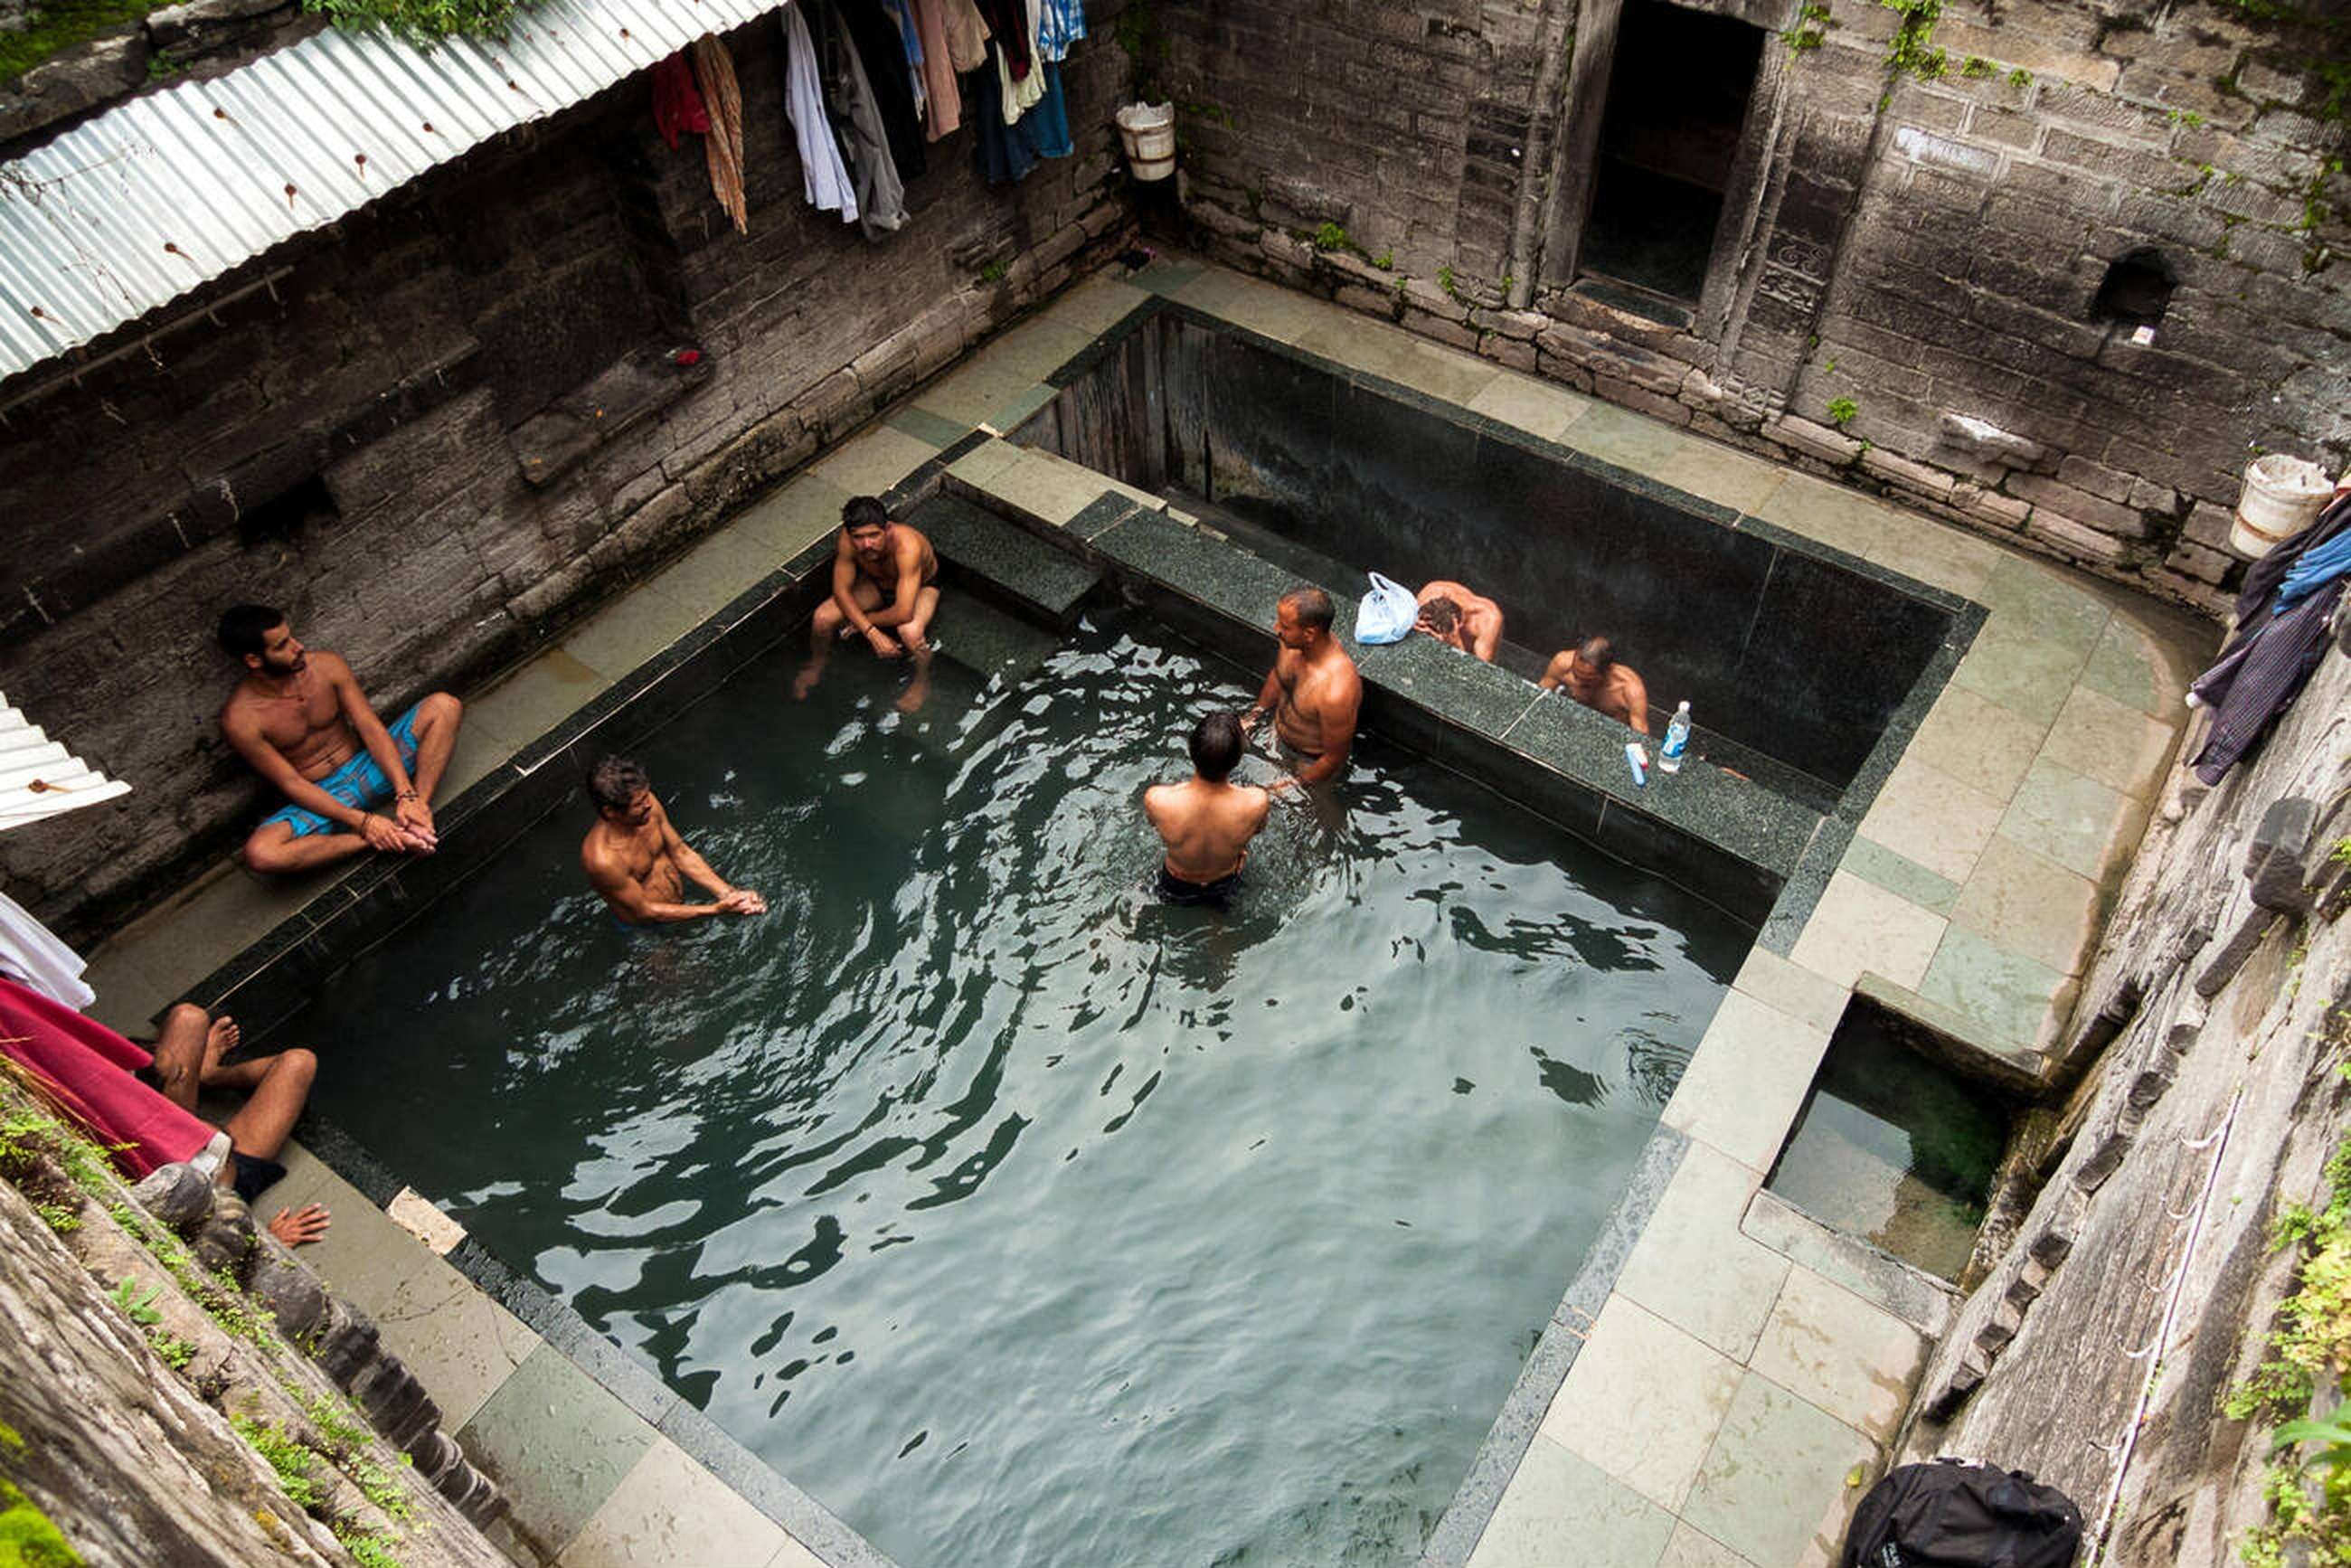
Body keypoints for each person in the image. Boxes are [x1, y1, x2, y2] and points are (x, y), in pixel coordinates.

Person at [217, 605, 464, 874]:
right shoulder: (241, 719)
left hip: (372, 768)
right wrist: (364, 823)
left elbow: (370, 727)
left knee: (444, 706)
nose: (297, 647)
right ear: (254, 660)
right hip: (324, 798)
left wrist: (406, 793)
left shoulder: (326, 666)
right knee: (261, 854)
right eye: (282, 646)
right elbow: (291, 782)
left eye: (292, 637)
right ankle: (385, 837)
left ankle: (418, 811)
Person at [145, 1003, 331, 1247]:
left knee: (188, 1017)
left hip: (183, 1130)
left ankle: (211, 1075)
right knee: (298, 1063)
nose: (185, 1072)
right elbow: (194, 1253)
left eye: (181, 1072)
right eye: (179, 1075)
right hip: (225, 1181)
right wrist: (265, 1243)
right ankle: (196, 1078)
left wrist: (180, 1076)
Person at [790, 496, 942, 712]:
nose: (866, 544)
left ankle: (922, 682)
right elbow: (841, 591)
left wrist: (863, 624)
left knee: (910, 632)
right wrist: (872, 633)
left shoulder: (908, 547)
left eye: (874, 535)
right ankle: (817, 663)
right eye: (859, 537)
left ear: (887, 529)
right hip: (876, 584)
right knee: (822, 617)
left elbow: (903, 612)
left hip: (921, 588)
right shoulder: (847, 541)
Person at [581, 756, 769, 926]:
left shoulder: (647, 806)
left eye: (647, 795)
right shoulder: (603, 860)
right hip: (647, 930)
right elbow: (644, 911)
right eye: (639, 804)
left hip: (682, 904)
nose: (648, 804)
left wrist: (729, 894)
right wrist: (715, 910)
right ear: (610, 812)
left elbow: (680, 852)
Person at [1144, 711, 1272, 906]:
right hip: (1225, 883)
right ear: (1237, 759)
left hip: (1175, 883)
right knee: (1218, 922)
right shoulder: (1256, 802)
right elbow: (1259, 829)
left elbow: (1153, 823)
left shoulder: (1158, 799)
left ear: (1190, 749)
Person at [1242, 587, 1362, 791]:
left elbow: (1334, 758)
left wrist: (1292, 785)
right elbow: (1279, 676)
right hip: (1277, 733)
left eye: (1285, 626)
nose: (1276, 628)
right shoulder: (1291, 643)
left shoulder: (1337, 690)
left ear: (1309, 633)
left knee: (1308, 809)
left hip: (1310, 759)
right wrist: (1254, 715)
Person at [1541, 636, 1651, 734]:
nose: (1578, 683)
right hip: (1570, 721)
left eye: (1587, 681)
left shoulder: (1630, 690)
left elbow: (1641, 738)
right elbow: (1538, 697)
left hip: (1609, 735)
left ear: (1607, 672)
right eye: (1576, 675)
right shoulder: (1562, 663)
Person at [1415, 581, 1505, 662]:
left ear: (1460, 624)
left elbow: (1483, 674)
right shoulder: (1430, 593)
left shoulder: (1489, 621)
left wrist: (1457, 645)